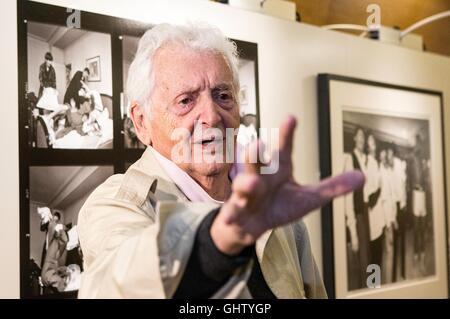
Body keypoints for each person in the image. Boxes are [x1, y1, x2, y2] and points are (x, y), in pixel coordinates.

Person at [77, 23, 364, 298]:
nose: (212, 116)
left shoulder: (271, 206)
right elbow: (119, 281)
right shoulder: (117, 203)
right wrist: (213, 242)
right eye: (186, 100)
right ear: (141, 122)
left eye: (222, 95)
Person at [343, 127, 369, 289]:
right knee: (361, 256)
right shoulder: (349, 158)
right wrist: (352, 228)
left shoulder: (366, 159)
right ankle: (366, 290)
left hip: (366, 211)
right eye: (359, 136)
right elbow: (349, 196)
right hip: (357, 213)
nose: (362, 139)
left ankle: (373, 289)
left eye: (363, 136)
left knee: (368, 256)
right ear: (354, 139)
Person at [388, 145, 407, 281]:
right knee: (393, 244)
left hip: (401, 208)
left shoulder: (399, 167)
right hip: (392, 209)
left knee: (402, 241)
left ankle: (403, 272)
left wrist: (403, 204)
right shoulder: (387, 170)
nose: (389, 157)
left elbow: (403, 188)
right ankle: (394, 276)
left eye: (391, 154)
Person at [365, 134, 383, 269]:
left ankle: (377, 285)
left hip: (378, 213)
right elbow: (370, 194)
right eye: (370, 142)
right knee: (373, 253)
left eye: (374, 141)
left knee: (378, 251)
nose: (373, 144)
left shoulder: (376, 162)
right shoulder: (367, 162)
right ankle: (374, 285)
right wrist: (379, 190)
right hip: (372, 212)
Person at [379, 149, 396, 283]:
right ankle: (386, 282)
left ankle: (388, 280)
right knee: (387, 250)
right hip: (385, 217)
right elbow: (384, 199)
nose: (385, 159)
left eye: (387, 156)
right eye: (383, 157)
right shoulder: (381, 172)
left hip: (390, 215)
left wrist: (393, 218)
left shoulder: (389, 172)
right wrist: (388, 221)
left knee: (389, 250)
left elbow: (392, 197)